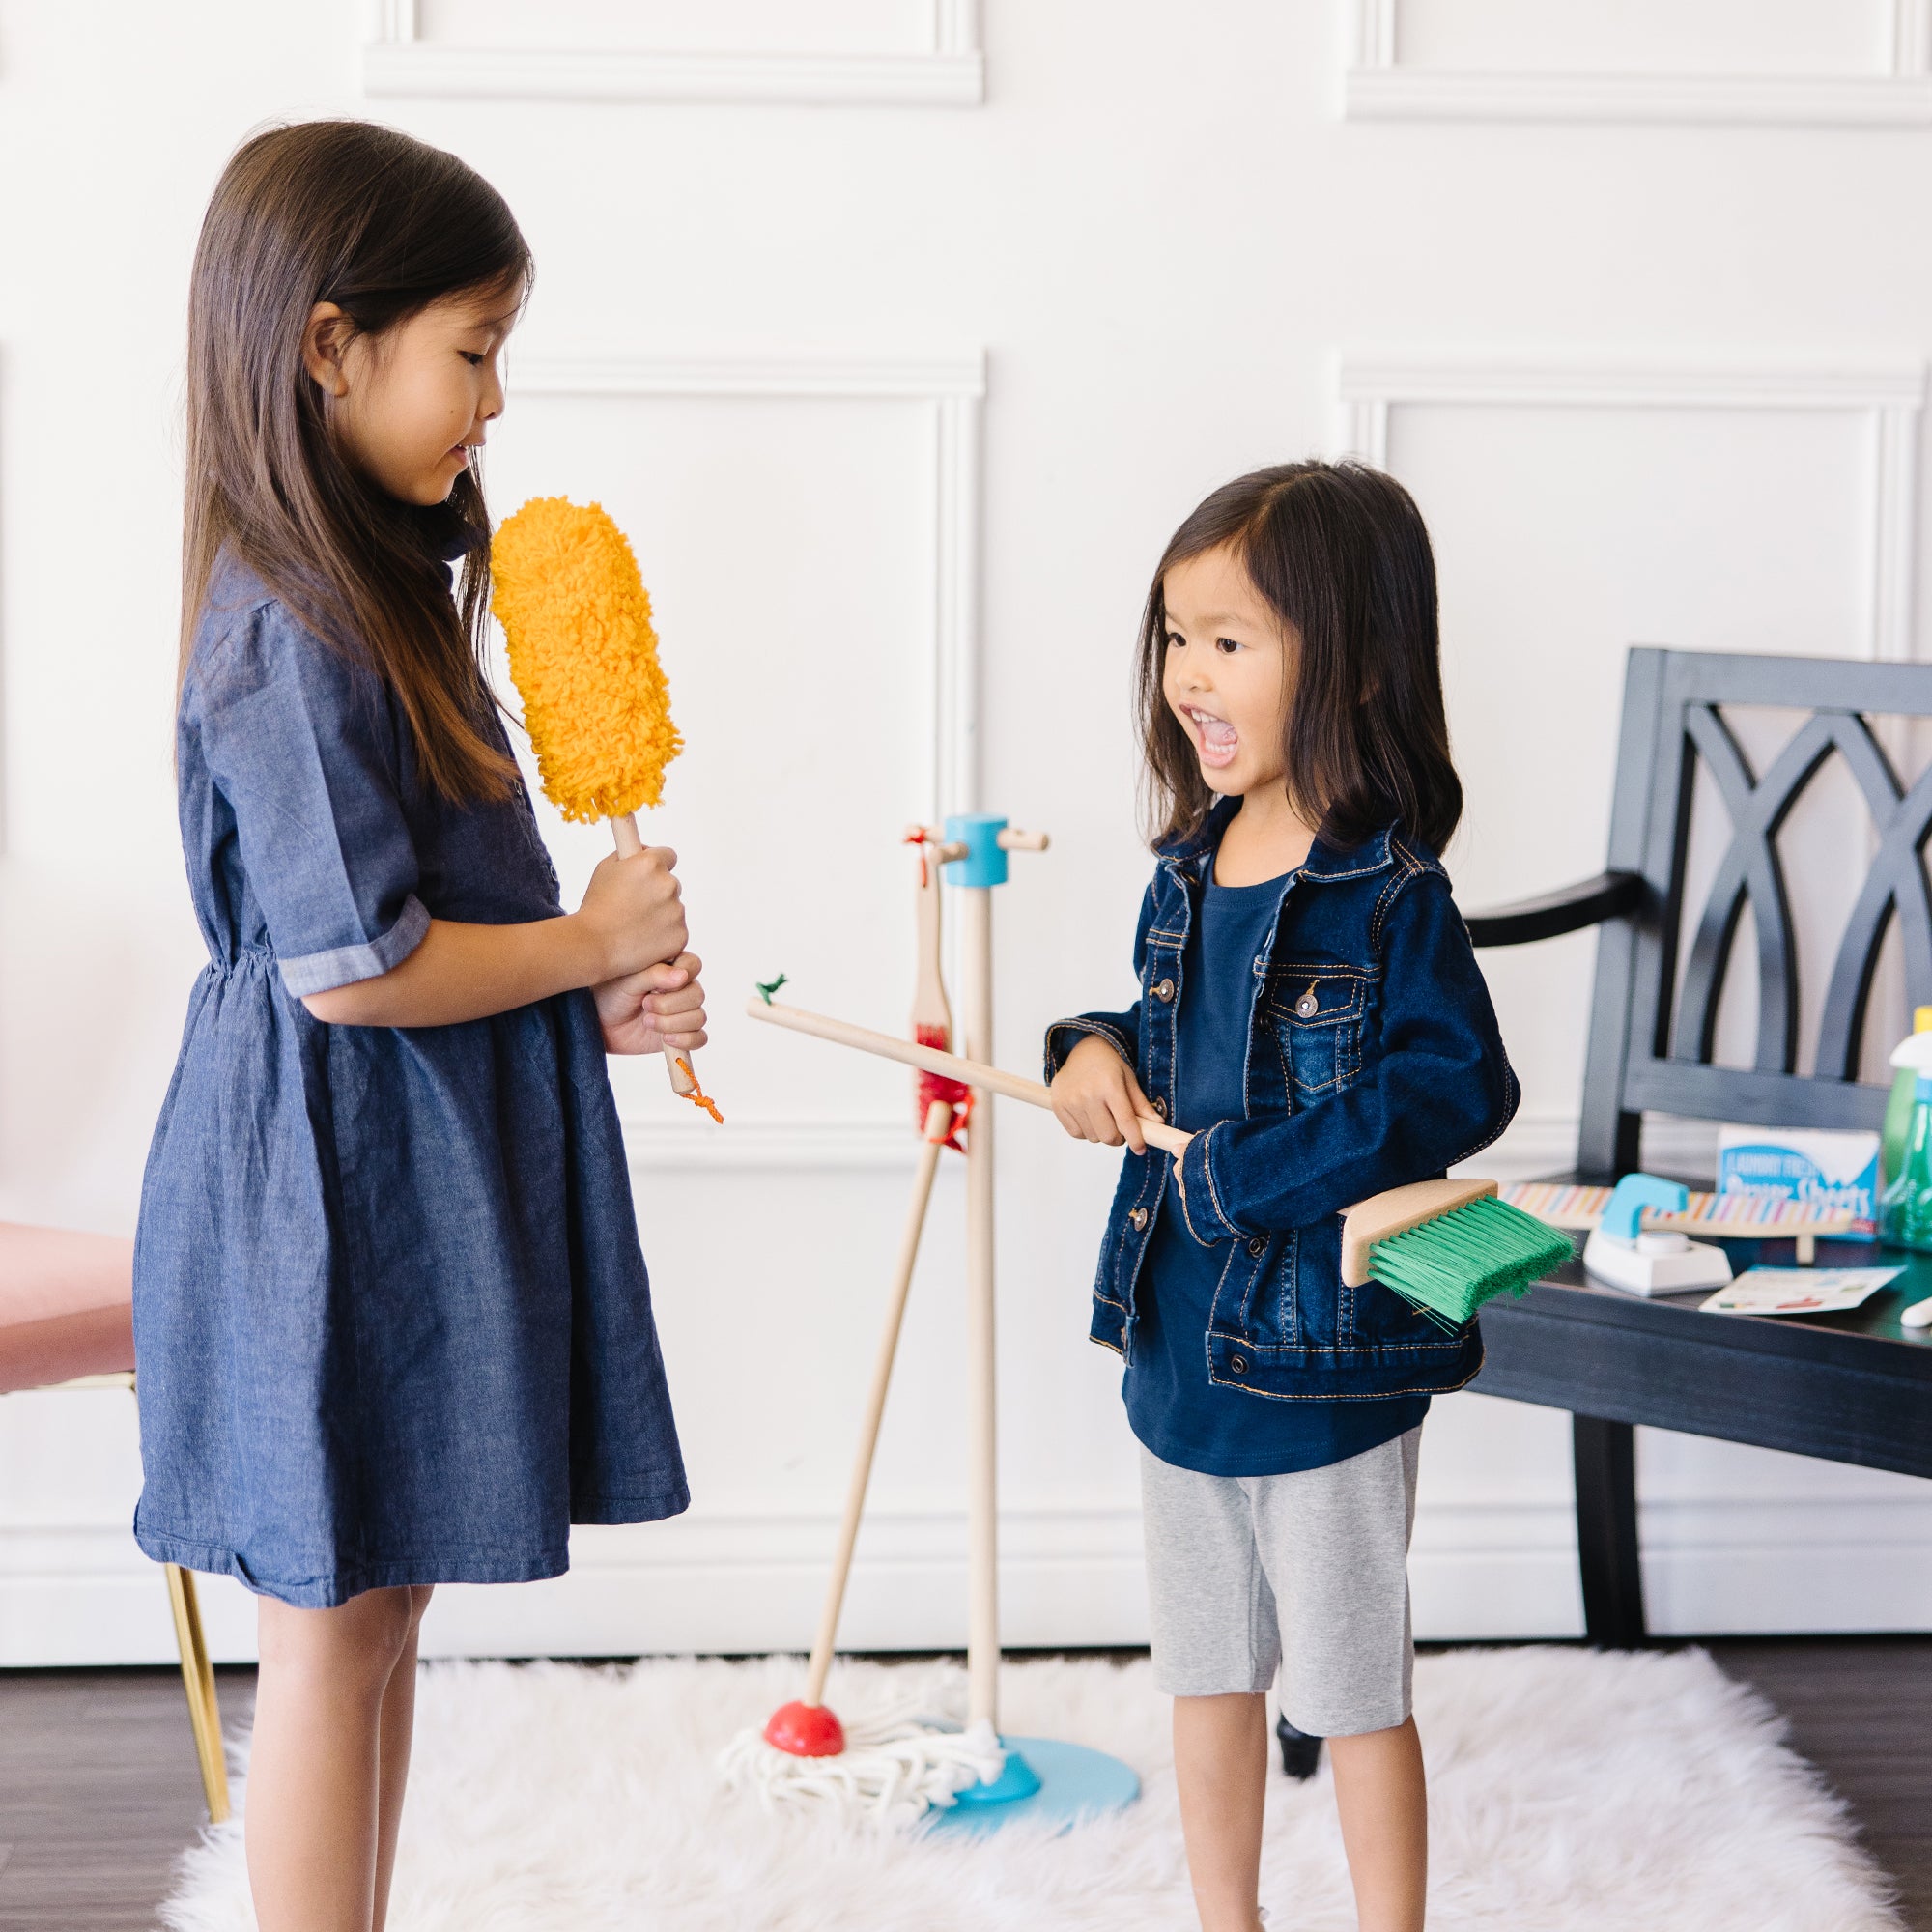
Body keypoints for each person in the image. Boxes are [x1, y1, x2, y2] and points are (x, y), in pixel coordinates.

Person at [132, 121, 699, 1932]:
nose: (496, 400)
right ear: (329, 345)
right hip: (321, 1168)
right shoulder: (284, 630)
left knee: (386, 1601)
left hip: (411, 1142)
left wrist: (585, 993)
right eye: (473, 350)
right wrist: (581, 940)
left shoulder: (382, 592)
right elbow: (355, 967)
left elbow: (441, 925)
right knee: (328, 1618)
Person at [1045, 463, 1518, 1932]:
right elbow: (1163, 1033)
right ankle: (1227, 1918)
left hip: (1322, 1363)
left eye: (1229, 640)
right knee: (1205, 1671)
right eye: (1176, 637)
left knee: (1353, 1688)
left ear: (1355, 663)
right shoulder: (1188, 868)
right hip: (1178, 1340)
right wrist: (1087, 1052)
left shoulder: (1390, 896)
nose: (1187, 673)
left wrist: (1256, 1171)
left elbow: (1455, 1085)